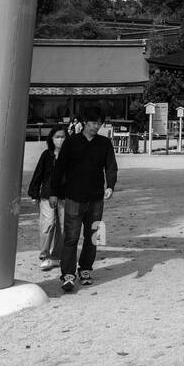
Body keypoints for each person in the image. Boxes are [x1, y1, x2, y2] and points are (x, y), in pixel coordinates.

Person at [51, 103, 118, 294]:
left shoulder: (104, 144)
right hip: (74, 196)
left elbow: (111, 167)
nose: (96, 126)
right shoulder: (71, 143)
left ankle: (86, 268)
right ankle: (68, 274)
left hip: (96, 197)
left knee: (94, 236)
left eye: (99, 123)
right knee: (71, 236)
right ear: (84, 122)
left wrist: (110, 186)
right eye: (92, 123)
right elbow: (60, 168)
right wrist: (54, 192)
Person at [27, 125, 67, 271]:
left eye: (63, 136)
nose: (60, 139)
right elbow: (39, 173)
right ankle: (44, 256)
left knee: (64, 228)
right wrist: (34, 193)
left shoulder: (70, 155)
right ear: (52, 138)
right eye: (57, 137)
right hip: (47, 196)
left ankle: (57, 256)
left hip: (65, 196)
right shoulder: (46, 155)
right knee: (48, 224)